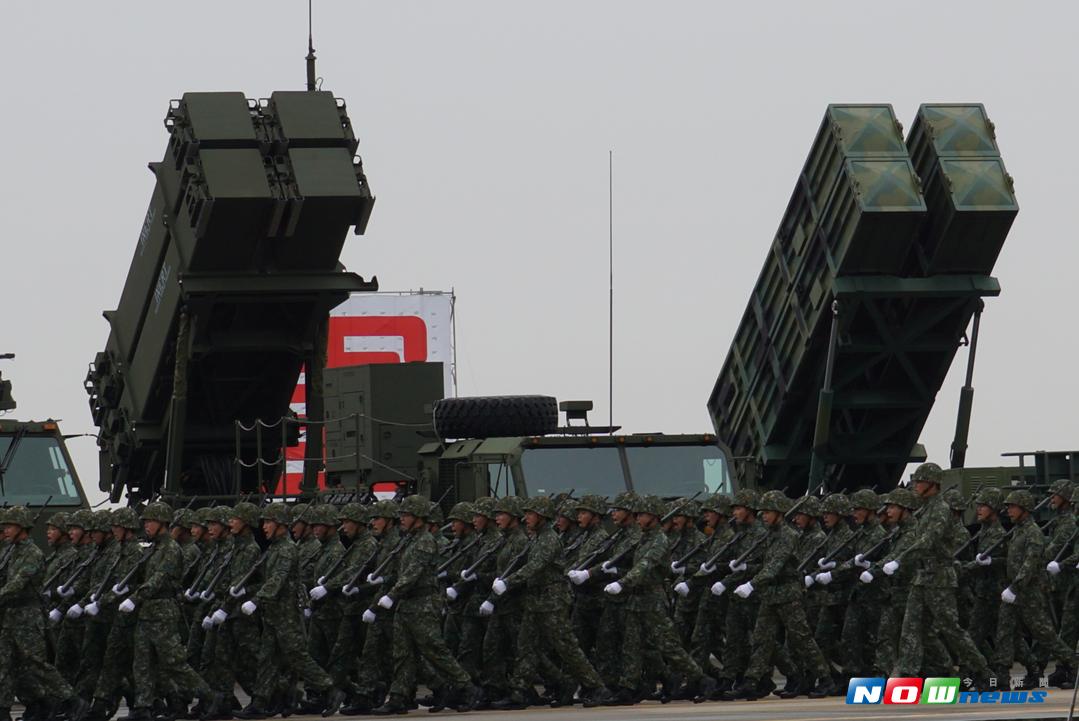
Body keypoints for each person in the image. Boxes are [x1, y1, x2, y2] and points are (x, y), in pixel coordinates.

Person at [491, 496, 610, 709]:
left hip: (552, 600)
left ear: (542, 517)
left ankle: (597, 687)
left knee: (566, 647)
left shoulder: (549, 539)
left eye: (531, 514)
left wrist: (508, 582)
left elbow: (535, 566)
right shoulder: (537, 538)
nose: (526, 518)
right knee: (526, 646)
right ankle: (520, 691)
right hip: (535, 599)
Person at [370, 495, 480, 715]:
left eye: (407, 514)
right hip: (407, 603)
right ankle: (399, 697)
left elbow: (412, 574)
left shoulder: (425, 541)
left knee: (434, 650)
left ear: (419, 517)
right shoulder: (409, 539)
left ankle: (466, 687)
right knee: (402, 653)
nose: (401, 518)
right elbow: (401, 572)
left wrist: (391, 595)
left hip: (422, 603)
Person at [720, 490, 834, 700]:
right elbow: (763, 563)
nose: (763, 515)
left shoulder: (788, 536)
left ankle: (825, 679)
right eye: (762, 512)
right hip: (771, 593)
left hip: (788, 593)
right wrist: (746, 567)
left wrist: (751, 585)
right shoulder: (770, 535)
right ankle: (751, 682)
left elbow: (774, 566)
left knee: (802, 639)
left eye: (768, 512)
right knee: (762, 639)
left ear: (779, 513)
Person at [884, 463, 990, 687]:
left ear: (932, 485)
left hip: (940, 578)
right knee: (911, 628)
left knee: (951, 629)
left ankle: (984, 671)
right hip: (923, 576)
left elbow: (928, 540)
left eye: (920, 482)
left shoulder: (940, 509)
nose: (916, 485)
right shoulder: (925, 510)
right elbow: (916, 539)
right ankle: (909, 673)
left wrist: (900, 559)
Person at [234, 504, 344, 718]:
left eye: (269, 522)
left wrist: (256, 600)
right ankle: (260, 703)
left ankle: (331, 689)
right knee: (267, 659)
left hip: (286, 614)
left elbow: (278, 579)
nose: (264, 527)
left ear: (281, 525)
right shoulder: (275, 547)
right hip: (273, 613)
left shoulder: (287, 549)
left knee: (297, 657)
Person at [121, 502, 221, 721]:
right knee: (142, 661)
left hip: (163, 610)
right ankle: (143, 706)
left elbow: (160, 579)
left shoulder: (171, 549)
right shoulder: (155, 548)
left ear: (163, 524)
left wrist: (135, 597)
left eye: (151, 521)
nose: (146, 525)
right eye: (145, 521)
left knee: (173, 661)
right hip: (148, 610)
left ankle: (209, 696)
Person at [0, 506, 88, 721]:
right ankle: (3, 710)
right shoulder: (11, 551)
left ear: (23, 527)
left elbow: (18, 583)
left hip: (28, 616)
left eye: (10, 526)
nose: (6, 530)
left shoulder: (32, 553)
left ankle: (72, 700)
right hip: (11, 615)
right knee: (5, 664)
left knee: (37, 664)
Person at [990, 489, 1076, 687]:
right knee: (1004, 632)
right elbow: (1014, 561)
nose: (1009, 511)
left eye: (1012, 507)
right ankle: (1006, 676)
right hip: (1013, 591)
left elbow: (1030, 563)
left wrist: (1014, 587)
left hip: (1028, 592)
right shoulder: (1018, 531)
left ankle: (1074, 666)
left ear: (1025, 509)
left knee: (1045, 636)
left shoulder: (1033, 533)